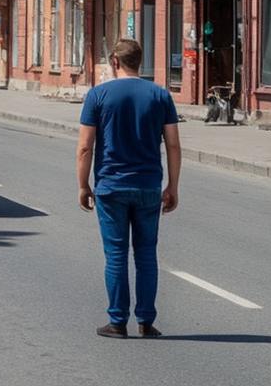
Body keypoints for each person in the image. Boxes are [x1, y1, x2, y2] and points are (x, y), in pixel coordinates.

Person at [76, 38, 181, 340]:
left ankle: (117, 321)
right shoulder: (160, 95)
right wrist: (172, 185)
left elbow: (85, 147)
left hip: (111, 187)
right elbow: (173, 144)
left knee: (116, 255)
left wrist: (83, 185)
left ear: (114, 62)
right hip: (149, 186)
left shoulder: (98, 95)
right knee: (147, 254)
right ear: (139, 61)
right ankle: (146, 321)